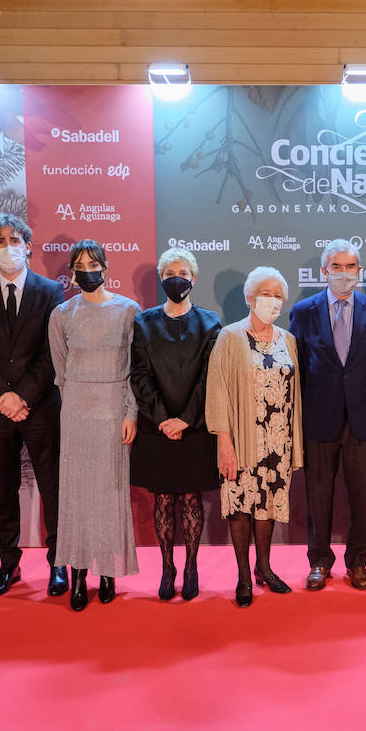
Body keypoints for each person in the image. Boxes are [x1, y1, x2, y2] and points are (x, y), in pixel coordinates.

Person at [0, 213, 67, 599]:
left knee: (51, 489)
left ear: (29, 246)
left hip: (40, 407)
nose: (8, 246)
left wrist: (23, 396)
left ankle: (58, 563)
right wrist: (3, 397)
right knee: (3, 490)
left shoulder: (49, 291)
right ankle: (8, 565)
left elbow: (51, 352)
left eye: (14, 239)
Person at [289, 239, 366, 591]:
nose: (343, 274)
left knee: (362, 496)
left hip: (362, 418)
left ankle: (358, 562)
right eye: (336, 267)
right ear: (323, 272)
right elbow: (297, 366)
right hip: (319, 417)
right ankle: (319, 562)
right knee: (318, 495)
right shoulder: (304, 311)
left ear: (359, 272)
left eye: (350, 267)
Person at [48, 240, 140, 611]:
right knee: (76, 496)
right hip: (75, 414)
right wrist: (74, 403)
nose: (87, 269)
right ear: (71, 272)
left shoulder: (129, 310)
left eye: (93, 263)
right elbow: (60, 369)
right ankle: (79, 573)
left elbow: (136, 368)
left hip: (115, 411)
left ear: (106, 266)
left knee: (109, 495)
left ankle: (107, 572)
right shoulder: (62, 314)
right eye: (80, 264)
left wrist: (131, 412)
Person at [206, 266, 303, 607]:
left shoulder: (287, 339)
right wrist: (224, 440)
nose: (272, 301)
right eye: (266, 293)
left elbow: (296, 397)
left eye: (278, 296)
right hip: (242, 440)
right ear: (249, 298)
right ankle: (244, 576)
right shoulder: (230, 337)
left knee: (268, 507)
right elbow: (217, 390)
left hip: (278, 443)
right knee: (242, 506)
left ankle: (265, 567)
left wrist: (294, 446)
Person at [130, 248, 223, 602]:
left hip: (195, 426)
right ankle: (168, 567)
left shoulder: (211, 322)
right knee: (164, 499)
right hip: (157, 427)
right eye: (168, 272)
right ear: (160, 277)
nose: (175, 278)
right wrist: (163, 418)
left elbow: (210, 377)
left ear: (194, 278)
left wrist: (185, 418)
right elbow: (139, 375)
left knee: (191, 498)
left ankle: (191, 566)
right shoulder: (144, 322)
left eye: (182, 272)